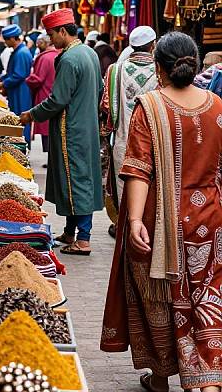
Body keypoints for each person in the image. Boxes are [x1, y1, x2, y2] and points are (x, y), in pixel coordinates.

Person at [101, 32, 222, 392]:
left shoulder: (150, 106)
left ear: (158, 68)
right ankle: (209, 379)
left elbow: (138, 167)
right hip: (211, 222)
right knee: (207, 297)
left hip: (160, 223)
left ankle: (160, 375)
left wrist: (135, 220)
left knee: (161, 296)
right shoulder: (217, 105)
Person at [20, 8, 104, 255]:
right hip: (86, 126)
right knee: (75, 178)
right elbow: (98, 89)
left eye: (51, 34)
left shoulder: (69, 59)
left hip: (71, 129)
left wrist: (31, 115)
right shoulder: (89, 52)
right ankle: (70, 232)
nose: (50, 40)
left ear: (62, 31)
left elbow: (57, 100)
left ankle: (84, 238)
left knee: (76, 180)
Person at [101, 25, 158, 239]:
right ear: (152, 46)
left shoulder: (115, 70)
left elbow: (106, 105)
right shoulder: (160, 69)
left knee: (124, 183)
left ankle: (125, 226)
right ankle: (148, 226)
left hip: (123, 139)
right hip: (152, 139)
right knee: (150, 182)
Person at [0, 24, 33, 143]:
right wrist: (1, 78)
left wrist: (3, 84)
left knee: (20, 119)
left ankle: (22, 145)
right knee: (16, 119)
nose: (5, 42)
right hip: (16, 90)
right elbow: (11, 72)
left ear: (12, 38)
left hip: (21, 91)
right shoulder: (18, 51)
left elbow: (18, 75)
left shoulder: (21, 53)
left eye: (6, 40)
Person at [25, 34, 59, 165]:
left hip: (45, 95)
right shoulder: (57, 55)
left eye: (39, 43)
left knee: (47, 131)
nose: (37, 45)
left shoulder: (45, 58)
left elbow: (37, 79)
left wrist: (26, 80)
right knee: (51, 130)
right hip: (52, 93)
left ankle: (52, 160)